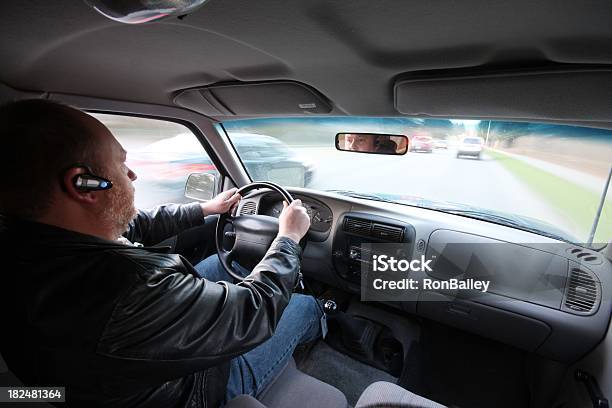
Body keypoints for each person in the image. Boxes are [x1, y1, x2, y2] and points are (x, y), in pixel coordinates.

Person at [0, 99, 323, 407]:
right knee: (302, 305)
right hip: (193, 391)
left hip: (91, 385)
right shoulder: (130, 288)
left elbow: (131, 225)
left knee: (216, 263)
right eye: (121, 163)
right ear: (83, 185)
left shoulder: (28, 239)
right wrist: (288, 237)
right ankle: (322, 335)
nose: (132, 175)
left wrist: (204, 209)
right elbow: (255, 313)